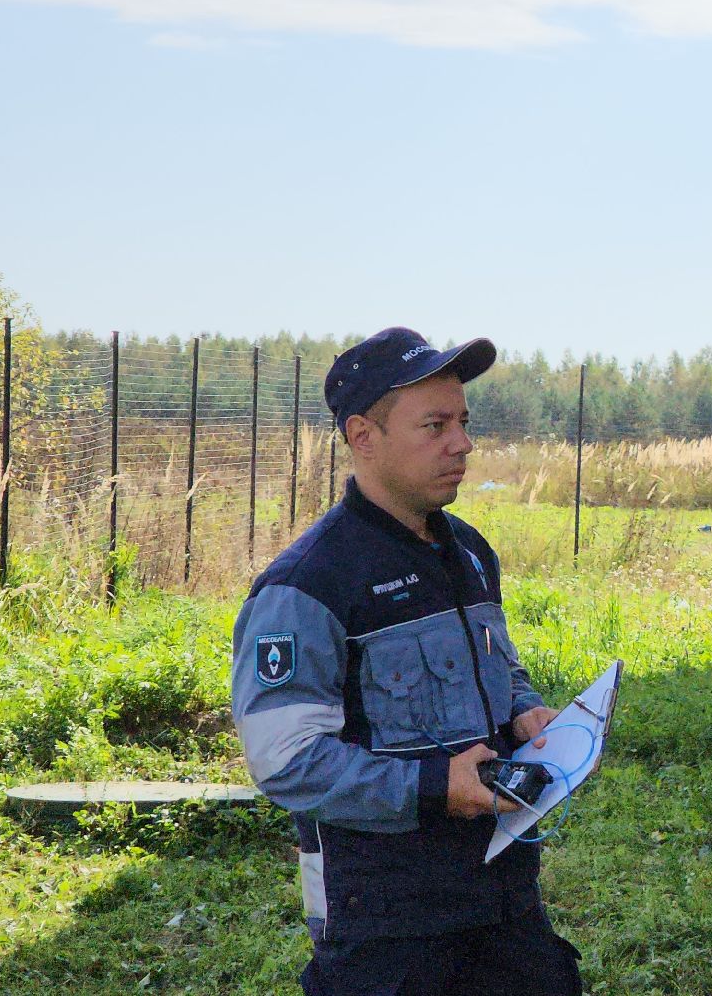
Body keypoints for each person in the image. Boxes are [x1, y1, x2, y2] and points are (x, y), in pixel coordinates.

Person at [228, 328, 583, 996]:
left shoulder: (471, 553)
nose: (463, 444)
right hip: (386, 926)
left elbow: (497, 668)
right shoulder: (307, 586)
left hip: (502, 897)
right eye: (435, 425)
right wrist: (432, 787)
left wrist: (523, 714)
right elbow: (286, 761)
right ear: (363, 435)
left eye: (464, 422)